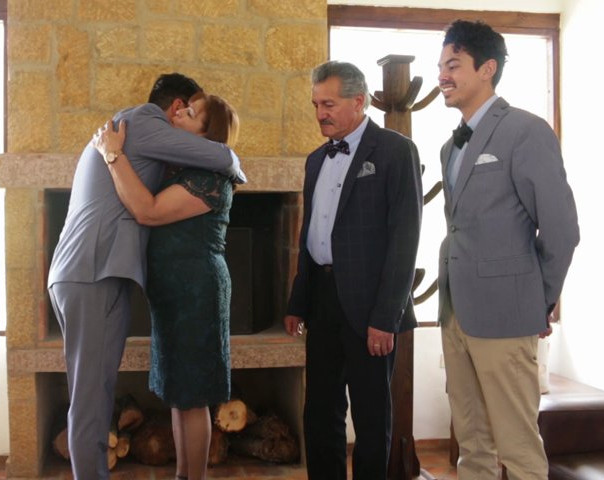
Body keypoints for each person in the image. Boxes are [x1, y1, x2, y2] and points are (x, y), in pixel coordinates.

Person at [47, 74, 244, 480]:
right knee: (92, 398)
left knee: (118, 395)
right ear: (174, 106)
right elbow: (223, 158)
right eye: (186, 108)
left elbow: (211, 163)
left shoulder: (167, 154)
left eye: (192, 114)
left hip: (106, 274)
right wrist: (234, 161)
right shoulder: (143, 122)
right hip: (93, 273)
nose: (181, 117)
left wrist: (114, 156)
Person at [436, 20, 580, 479]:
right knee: (471, 444)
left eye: (453, 65)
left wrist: (540, 301)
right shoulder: (449, 147)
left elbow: (561, 229)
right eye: (440, 66)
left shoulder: (525, 131)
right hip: (456, 312)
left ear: (488, 69)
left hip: (507, 313)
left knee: (517, 449)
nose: (442, 75)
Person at [283, 60, 423, 479]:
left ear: (358, 101)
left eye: (328, 103)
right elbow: (311, 234)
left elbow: (405, 240)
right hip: (322, 302)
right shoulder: (314, 161)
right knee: (320, 413)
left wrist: (386, 317)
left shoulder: (397, 151)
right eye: (315, 104)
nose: (320, 113)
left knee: (371, 417)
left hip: (371, 307)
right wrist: (298, 301)